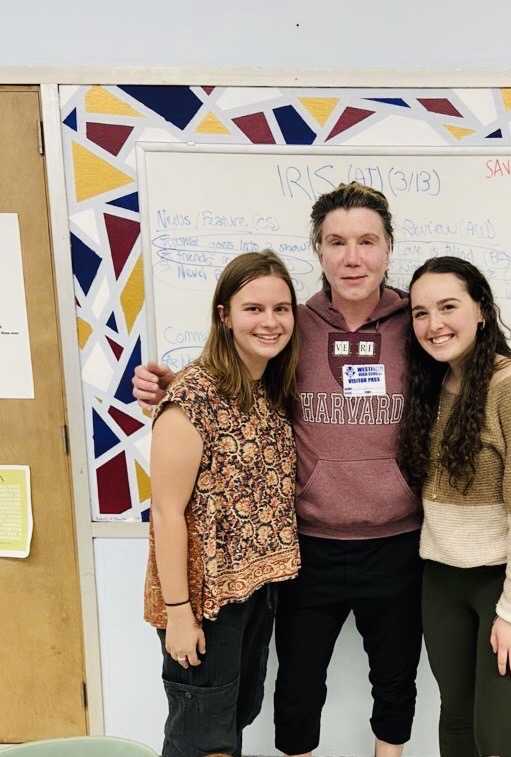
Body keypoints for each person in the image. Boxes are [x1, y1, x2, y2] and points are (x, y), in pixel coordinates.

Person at [134, 183, 511, 757]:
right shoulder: (293, 325)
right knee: (298, 686)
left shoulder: (414, 327)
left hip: (402, 543)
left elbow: (470, 369)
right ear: (318, 251)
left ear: (389, 249)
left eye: (367, 241)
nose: (352, 256)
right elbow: (237, 367)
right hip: (307, 544)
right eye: (336, 242)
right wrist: (171, 386)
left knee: (396, 681)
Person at [397, 256, 511, 757]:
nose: (434, 324)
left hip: (507, 586)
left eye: (448, 306)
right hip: (443, 583)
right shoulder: (434, 383)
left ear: (482, 311)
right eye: (420, 313)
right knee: (455, 728)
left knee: (498, 743)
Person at [143, 250, 301, 757]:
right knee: (201, 739)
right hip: (204, 601)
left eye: (281, 308)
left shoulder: (268, 388)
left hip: (254, 591)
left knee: (230, 725)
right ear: (224, 314)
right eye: (253, 308)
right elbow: (166, 513)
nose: (270, 322)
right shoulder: (192, 397)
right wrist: (179, 615)